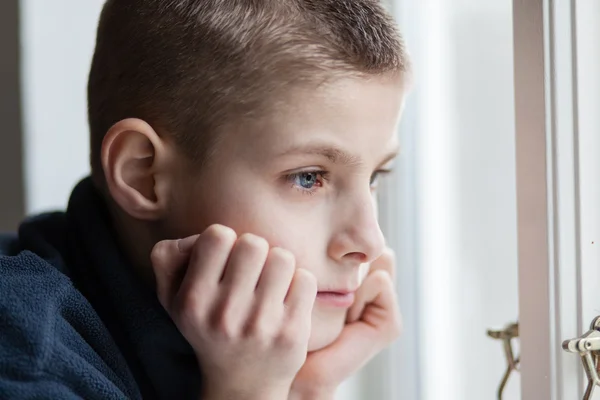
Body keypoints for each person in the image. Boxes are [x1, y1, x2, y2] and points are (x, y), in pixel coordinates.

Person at [0, 0, 411, 399]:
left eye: (375, 175)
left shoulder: (235, 352)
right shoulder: (26, 360)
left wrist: (305, 387)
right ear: (144, 177)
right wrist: (249, 391)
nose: (368, 241)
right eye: (308, 178)